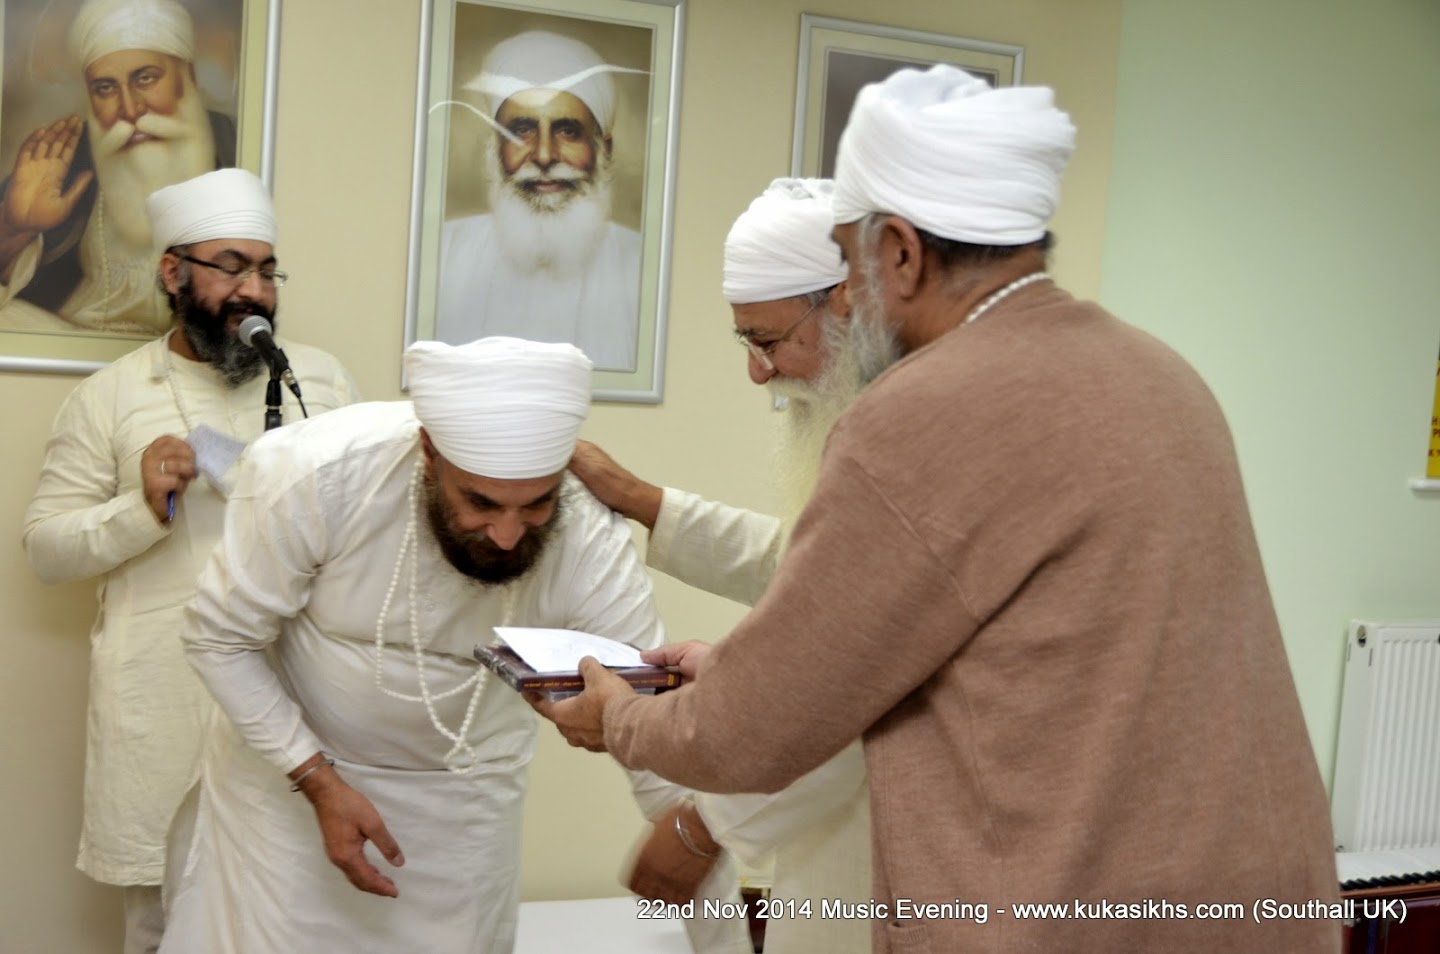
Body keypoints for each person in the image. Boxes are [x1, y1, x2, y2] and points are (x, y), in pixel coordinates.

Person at [533, 65, 1342, 952]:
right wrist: (733, 651)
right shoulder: (1161, 373)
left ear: (901, 253)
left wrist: (621, 718)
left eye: (848, 262)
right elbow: (980, 617)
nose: (849, 294)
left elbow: (752, 732)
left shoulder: (925, 408)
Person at [160, 337, 750, 954]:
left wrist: (691, 836)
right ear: (428, 453)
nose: (507, 534)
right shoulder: (317, 474)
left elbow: (651, 711)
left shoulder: (586, 531)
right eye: (480, 502)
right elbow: (219, 637)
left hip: (465, 813)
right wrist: (317, 782)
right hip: (286, 797)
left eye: (537, 503)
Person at [21, 166, 359, 954]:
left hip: (302, 704)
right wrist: (142, 508)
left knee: (299, 917)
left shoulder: (321, 384)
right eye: (231, 267)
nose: (255, 291)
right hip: (164, 703)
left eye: (267, 270)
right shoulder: (111, 397)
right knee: (162, 926)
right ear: (173, 272)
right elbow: (47, 550)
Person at [570, 177, 872, 954]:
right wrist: (642, 501)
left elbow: (865, 682)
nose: (759, 374)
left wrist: (705, 825)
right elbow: (812, 567)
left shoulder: (913, 440)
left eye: (767, 341)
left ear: (845, 301)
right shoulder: (860, 421)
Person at [0, 0, 237, 335]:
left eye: (146, 79)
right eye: (106, 88)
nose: (129, 108)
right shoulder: (68, 158)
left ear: (189, 76)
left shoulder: (232, 148)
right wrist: (15, 227)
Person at [435, 30, 642, 372]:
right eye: (522, 130)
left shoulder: (639, 266)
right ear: (496, 147)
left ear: (604, 149)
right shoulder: (445, 251)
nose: (545, 155)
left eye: (568, 131)